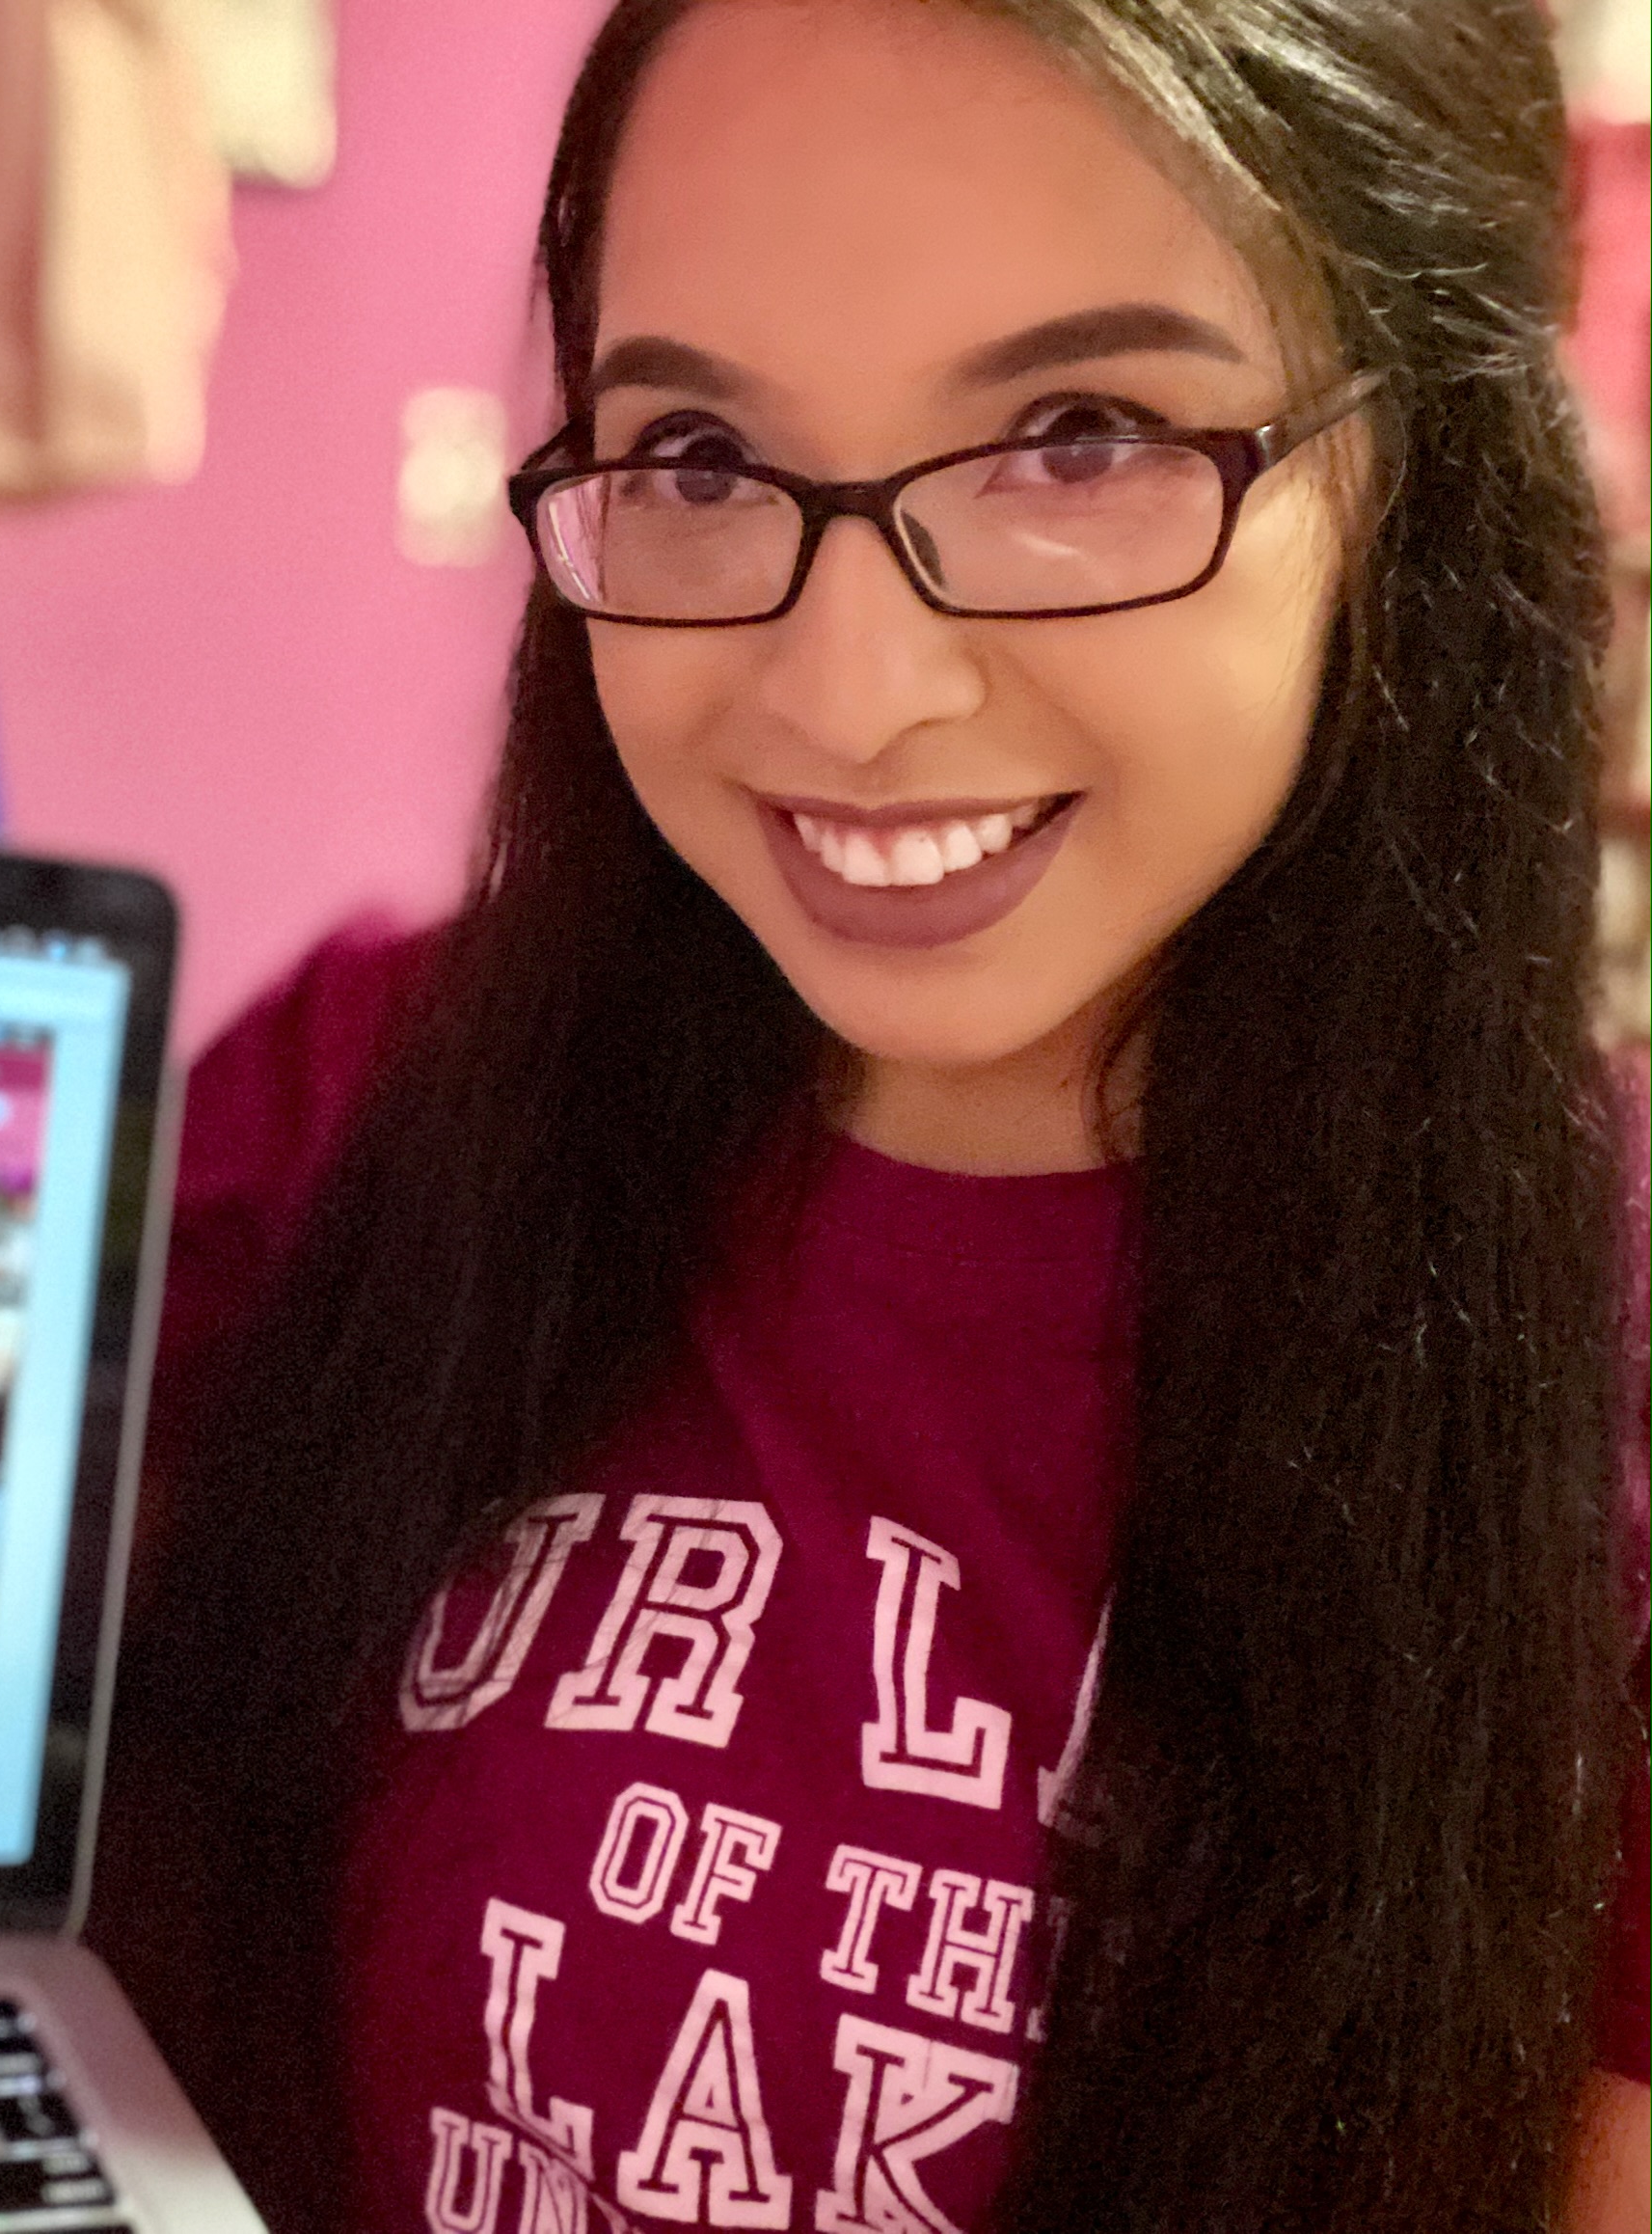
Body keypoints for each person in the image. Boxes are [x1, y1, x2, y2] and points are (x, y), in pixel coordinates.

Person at [89, 5, 1649, 2232]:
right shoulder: (363, 1104)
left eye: (1078, 434)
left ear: (1418, 475)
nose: (848, 691)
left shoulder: (1600, 1376)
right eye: (703, 458)